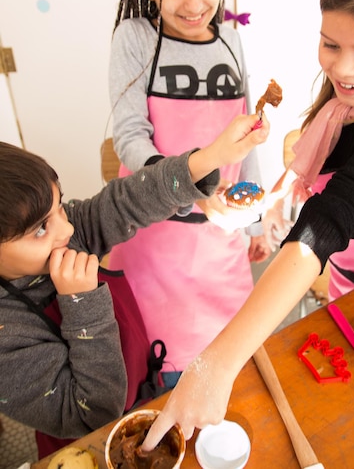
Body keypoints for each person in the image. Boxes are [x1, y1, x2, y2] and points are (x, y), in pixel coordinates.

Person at [141, 0, 354, 449]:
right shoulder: (349, 105)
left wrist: (216, 362)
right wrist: (273, 209)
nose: (341, 68)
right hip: (348, 280)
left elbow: (328, 223)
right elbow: (318, 188)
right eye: (330, 43)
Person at [0, 112, 269, 458]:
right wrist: (81, 302)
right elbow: (95, 412)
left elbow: (126, 201)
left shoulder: (66, 236)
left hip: (144, 388)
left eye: (60, 208)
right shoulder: (7, 339)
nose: (66, 230)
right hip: (92, 447)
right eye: (40, 228)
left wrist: (210, 158)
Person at [108, 0, 271, 389]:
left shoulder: (232, 41)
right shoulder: (134, 38)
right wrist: (187, 187)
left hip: (220, 238)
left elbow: (249, 131)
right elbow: (130, 136)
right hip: (155, 237)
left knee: (230, 363)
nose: (194, 3)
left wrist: (257, 218)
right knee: (167, 372)